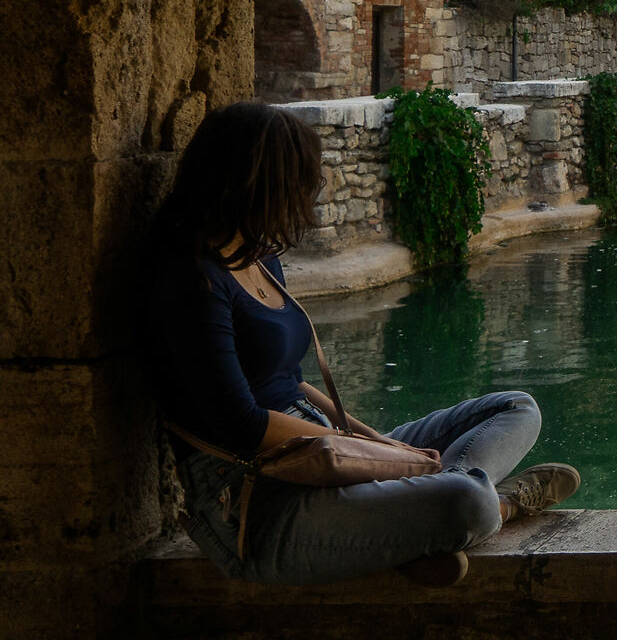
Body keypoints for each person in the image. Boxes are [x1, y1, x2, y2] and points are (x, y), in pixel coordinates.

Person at [142, 101, 580, 588]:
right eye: (297, 179)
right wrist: (371, 459)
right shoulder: (192, 281)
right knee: (467, 502)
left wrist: (378, 443)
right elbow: (241, 425)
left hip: (327, 449)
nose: (307, 192)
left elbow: (292, 382)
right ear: (253, 179)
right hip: (261, 498)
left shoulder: (259, 257)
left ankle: (404, 527)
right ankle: (496, 504)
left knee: (518, 407)